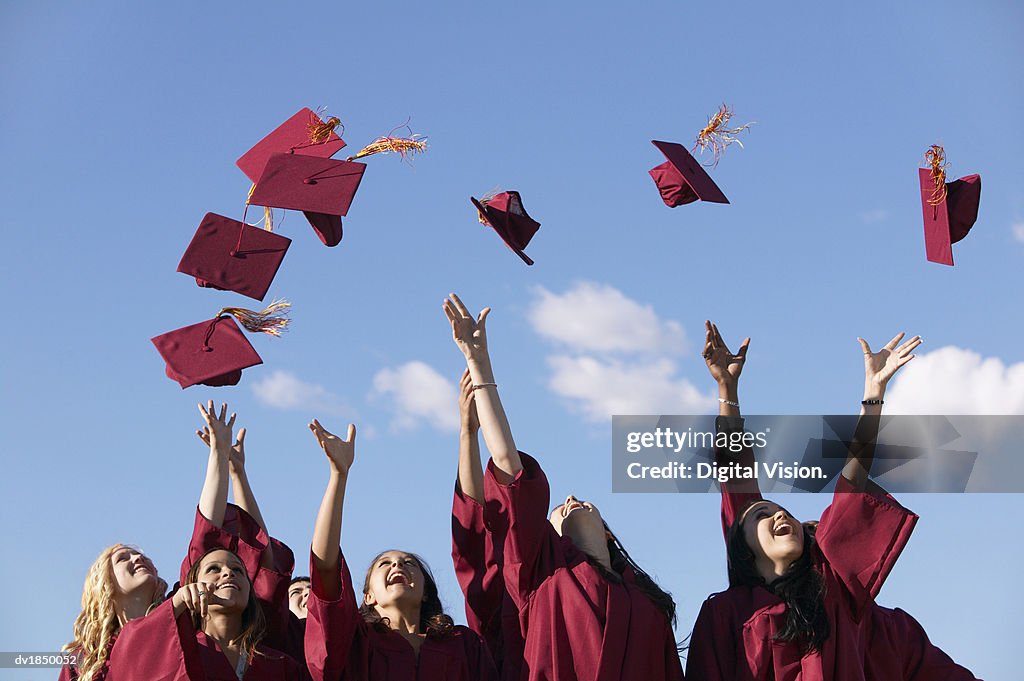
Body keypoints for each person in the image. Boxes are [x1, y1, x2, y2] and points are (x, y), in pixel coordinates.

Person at [687, 324, 978, 680]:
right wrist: (726, 390)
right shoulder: (729, 613)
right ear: (744, 548)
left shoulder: (833, 588)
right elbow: (737, 481)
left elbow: (852, 483)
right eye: (764, 515)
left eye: (785, 513)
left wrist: (873, 397)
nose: (781, 515)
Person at [443, 293, 684, 681]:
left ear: (608, 533)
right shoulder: (539, 576)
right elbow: (509, 468)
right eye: (557, 509)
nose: (569, 499)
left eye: (582, 500)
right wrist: (479, 364)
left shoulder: (647, 604)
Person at [105, 402, 308, 680]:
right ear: (191, 585)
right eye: (214, 570)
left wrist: (235, 471)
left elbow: (261, 555)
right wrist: (218, 454)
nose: (228, 573)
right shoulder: (179, 649)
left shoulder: (281, 666)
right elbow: (206, 532)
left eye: (238, 571)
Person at [302, 417, 498, 681]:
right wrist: (339, 475)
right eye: (385, 563)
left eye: (409, 563)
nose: (397, 565)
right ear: (368, 596)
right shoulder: (356, 643)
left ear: (426, 591)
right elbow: (325, 567)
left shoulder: (463, 644)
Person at [450, 368, 523, 681]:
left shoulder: (636, 595)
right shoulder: (510, 598)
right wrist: (468, 432)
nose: (573, 500)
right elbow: (475, 522)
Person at [60, 545, 168, 681]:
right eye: (122, 559)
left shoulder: (180, 620)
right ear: (105, 584)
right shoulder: (85, 659)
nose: (138, 557)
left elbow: (198, 555)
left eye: (142, 556)